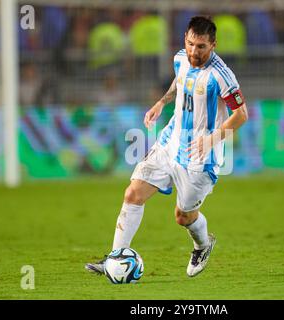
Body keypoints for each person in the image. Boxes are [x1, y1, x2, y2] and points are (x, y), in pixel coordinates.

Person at [85, 16, 249, 277]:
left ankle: (203, 244)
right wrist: (162, 102)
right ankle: (115, 258)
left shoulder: (221, 75)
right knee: (132, 194)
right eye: (192, 44)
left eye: (202, 47)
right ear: (186, 38)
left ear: (214, 45)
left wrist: (211, 139)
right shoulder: (181, 57)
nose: (195, 52)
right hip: (170, 142)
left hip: (200, 155)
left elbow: (241, 114)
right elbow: (179, 81)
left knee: (183, 216)